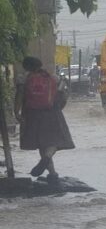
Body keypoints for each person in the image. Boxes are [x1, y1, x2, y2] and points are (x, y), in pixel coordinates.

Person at [13, 56, 75, 187]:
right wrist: (58, 108)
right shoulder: (53, 78)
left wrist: (16, 112)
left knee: (42, 143)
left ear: (26, 66)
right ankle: (48, 159)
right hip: (52, 113)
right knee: (54, 142)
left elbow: (19, 95)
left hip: (32, 115)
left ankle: (52, 173)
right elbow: (63, 96)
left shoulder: (23, 78)